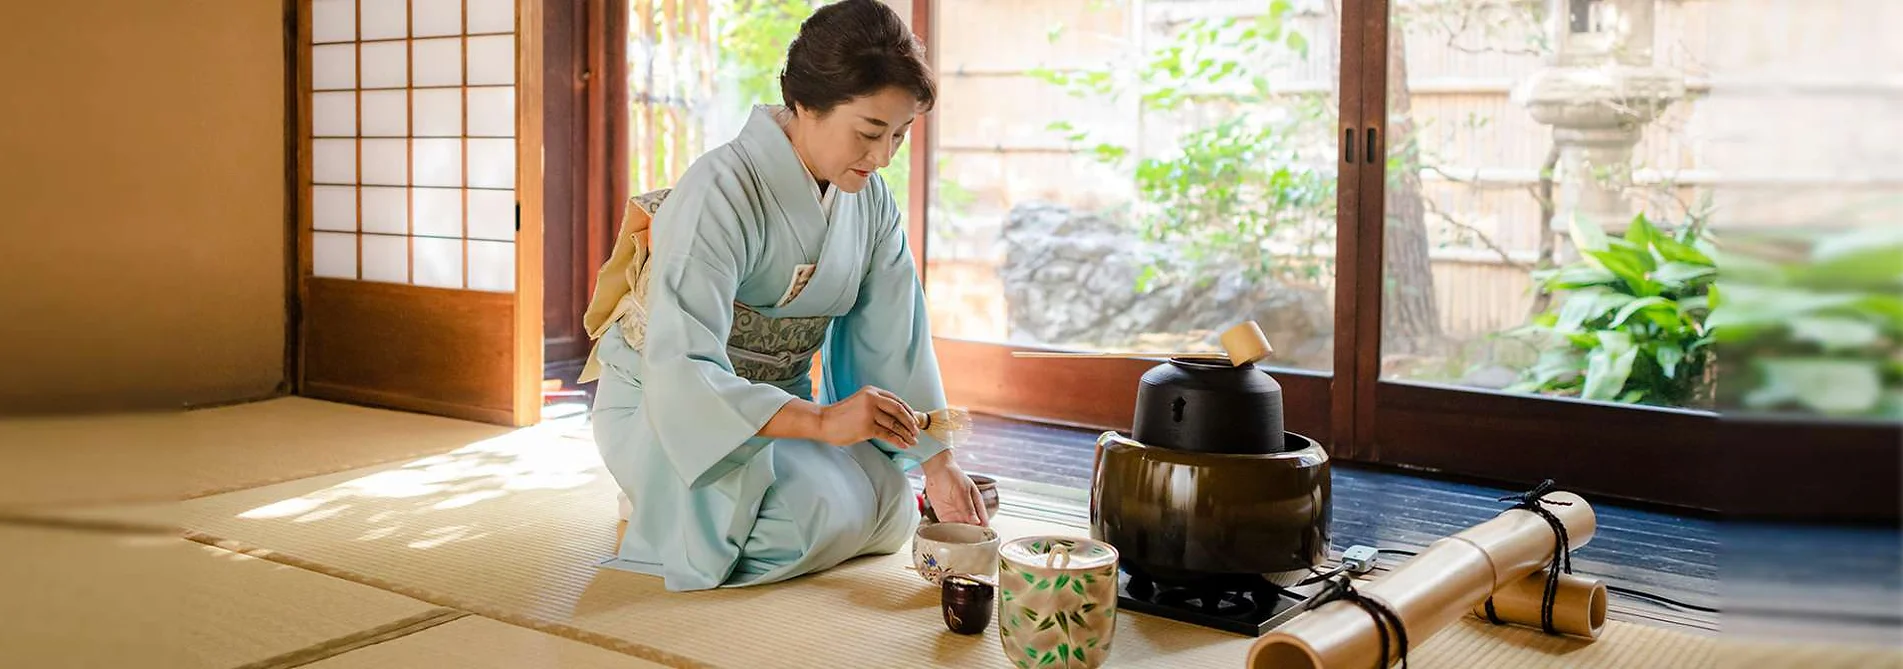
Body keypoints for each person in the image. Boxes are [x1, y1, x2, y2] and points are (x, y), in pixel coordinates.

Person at [578, 0, 988, 592]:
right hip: (675, 407)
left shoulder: (870, 202)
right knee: (799, 522)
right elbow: (680, 364)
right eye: (870, 132)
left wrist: (938, 461)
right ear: (804, 105)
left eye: (900, 134)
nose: (883, 157)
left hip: (785, 409)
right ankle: (651, 498)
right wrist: (822, 422)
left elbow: (894, 335)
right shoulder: (718, 190)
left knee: (890, 507)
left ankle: (701, 503)